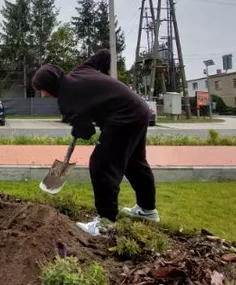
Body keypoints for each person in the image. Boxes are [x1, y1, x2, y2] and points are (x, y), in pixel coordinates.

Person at [32, 49, 159, 237]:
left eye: (42, 89)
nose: (43, 95)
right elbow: (105, 54)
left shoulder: (66, 100)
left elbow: (87, 132)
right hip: (139, 110)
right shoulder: (81, 70)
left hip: (123, 118)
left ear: (50, 85)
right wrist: (103, 87)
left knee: (101, 164)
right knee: (134, 163)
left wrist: (78, 124)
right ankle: (147, 210)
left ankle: (106, 223)